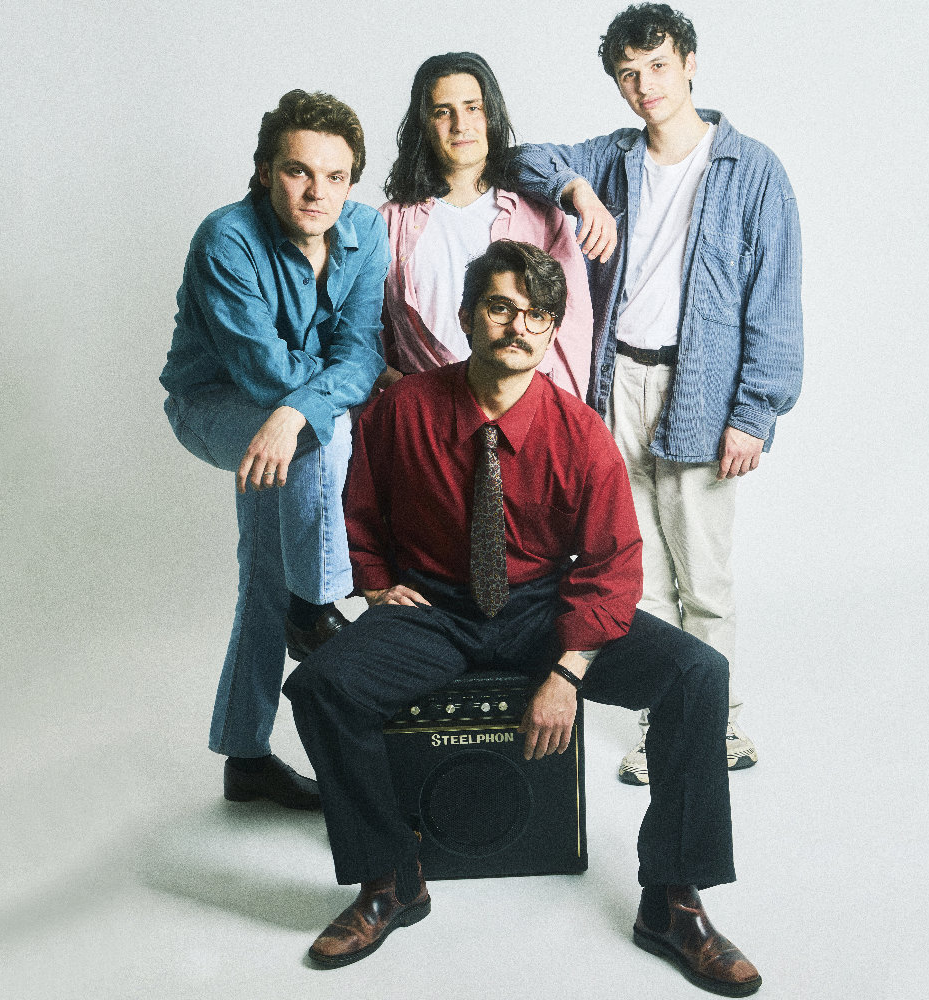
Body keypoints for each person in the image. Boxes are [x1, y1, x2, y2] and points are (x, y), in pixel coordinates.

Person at [282, 241, 762, 997]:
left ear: (552, 330)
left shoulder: (580, 434)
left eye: (538, 315)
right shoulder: (402, 411)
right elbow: (361, 510)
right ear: (468, 315)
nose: (518, 327)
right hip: (434, 608)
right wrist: (376, 585)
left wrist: (567, 672)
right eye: (501, 307)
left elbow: (612, 565)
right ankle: (390, 880)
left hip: (544, 607)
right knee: (321, 686)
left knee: (697, 673)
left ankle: (673, 902)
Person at [509, 3, 804, 784]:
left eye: (659, 66)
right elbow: (522, 159)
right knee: (635, 575)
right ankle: (664, 726)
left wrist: (755, 412)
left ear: (691, 64)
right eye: (628, 74)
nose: (646, 86)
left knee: (704, 576)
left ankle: (719, 724)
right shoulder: (610, 160)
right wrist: (578, 190)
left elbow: (775, 299)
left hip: (700, 387)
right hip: (617, 384)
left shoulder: (752, 169)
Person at [159, 90, 389, 808]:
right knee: (322, 433)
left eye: (335, 176)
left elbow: (364, 350)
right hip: (214, 405)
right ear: (264, 172)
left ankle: (245, 756)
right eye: (298, 171)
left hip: (280, 421)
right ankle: (315, 606)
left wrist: (302, 404)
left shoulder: (366, 230)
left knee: (264, 575)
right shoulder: (225, 238)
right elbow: (262, 372)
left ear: (351, 181)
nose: (318, 192)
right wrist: (312, 403)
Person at [377, 52, 593, 399]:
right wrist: (402, 393)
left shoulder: (539, 215)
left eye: (473, 108)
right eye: (442, 111)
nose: (460, 124)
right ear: (424, 124)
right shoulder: (390, 222)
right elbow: (370, 331)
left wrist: (560, 412)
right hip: (426, 408)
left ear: (490, 115)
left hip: (522, 406)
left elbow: (572, 328)